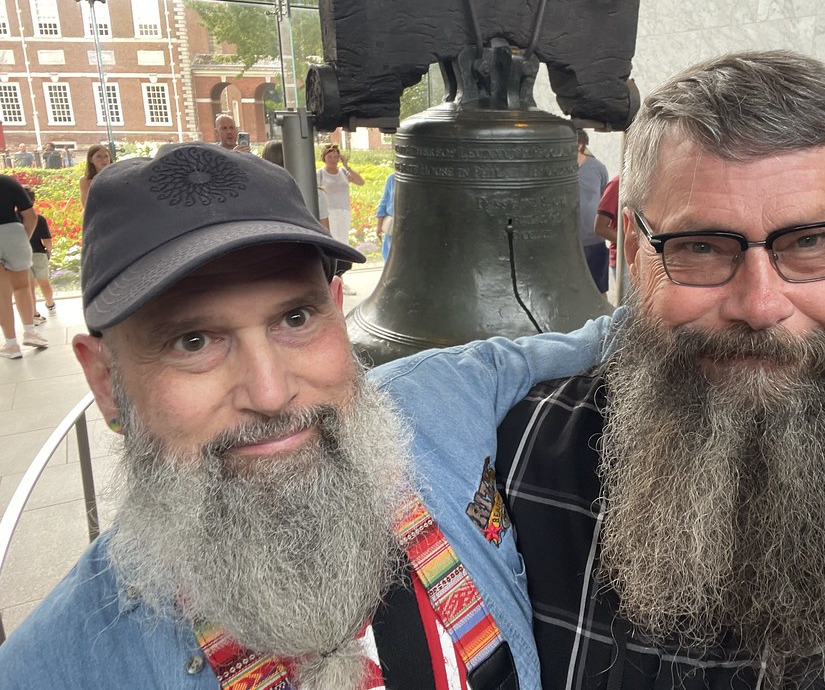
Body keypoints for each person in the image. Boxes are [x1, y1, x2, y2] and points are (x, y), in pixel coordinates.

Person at [389, 51, 825, 689]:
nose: (761, 306)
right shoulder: (518, 447)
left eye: (809, 242)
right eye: (699, 247)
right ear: (633, 248)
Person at [0, 142, 619, 688]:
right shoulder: (51, 668)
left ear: (336, 308)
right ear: (105, 381)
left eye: (295, 318)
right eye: (193, 342)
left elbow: (597, 338)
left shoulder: (437, 400)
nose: (270, 393)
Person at [0, 174, 48, 359]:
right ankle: (30, 332)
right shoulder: (8, 182)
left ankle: (11, 345)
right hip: (13, 234)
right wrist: (24, 239)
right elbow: (30, 215)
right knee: (22, 287)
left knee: (2, 295)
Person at [317, 143, 364, 295]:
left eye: (336, 156)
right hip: (328, 213)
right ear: (324, 158)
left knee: (343, 243)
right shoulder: (320, 174)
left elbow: (360, 182)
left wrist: (347, 166)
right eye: (330, 156)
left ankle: (340, 279)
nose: (333, 159)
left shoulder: (343, 172)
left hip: (344, 212)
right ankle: (332, 280)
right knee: (333, 243)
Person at [577, 129, 610, 294]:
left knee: (599, 290)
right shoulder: (556, 170)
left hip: (594, 242)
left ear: (580, 145)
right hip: (566, 243)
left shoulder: (598, 168)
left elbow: (604, 199)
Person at [22, 188, 56, 324]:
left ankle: (34, 314)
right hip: (38, 254)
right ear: (33, 200)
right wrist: (49, 251)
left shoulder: (13, 219)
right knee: (44, 282)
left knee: (28, 286)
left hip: (21, 255)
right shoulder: (38, 219)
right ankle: (50, 304)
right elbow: (47, 240)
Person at [594, 174, 629, 303]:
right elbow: (600, 228)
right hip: (623, 260)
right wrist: (633, 243)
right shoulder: (616, 184)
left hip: (647, 257)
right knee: (630, 309)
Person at [375, 171, 396, 261]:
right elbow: (384, 201)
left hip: (410, 227)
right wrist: (379, 225)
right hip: (392, 226)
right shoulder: (392, 178)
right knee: (389, 256)